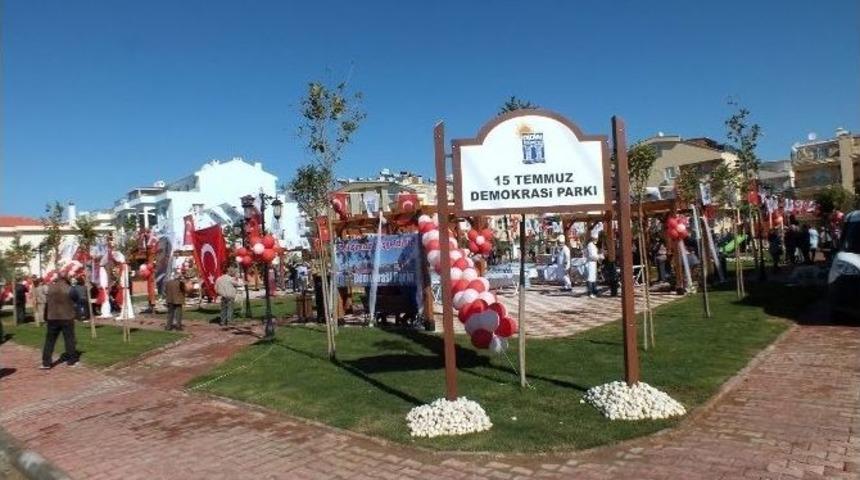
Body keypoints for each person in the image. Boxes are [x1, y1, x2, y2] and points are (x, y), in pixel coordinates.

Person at [41, 273, 79, 369]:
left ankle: (46, 362)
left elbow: (47, 302)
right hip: (67, 316)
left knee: (50, 340)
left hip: (52, 317)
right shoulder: (70, 288)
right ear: (66, 279)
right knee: (69, 339)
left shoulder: (50, 288)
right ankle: (71, 360)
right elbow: (76, 299)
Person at [585, 232, 603, 298]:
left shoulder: (593, 245)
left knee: (594, 277)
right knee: (590, 278)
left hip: (594, 263)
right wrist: (599, 256)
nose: (596, 240)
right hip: (590, 263)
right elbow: (592, 255)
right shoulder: (590, 245)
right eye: (595, 239)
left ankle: (594, 290)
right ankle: (590, 292)